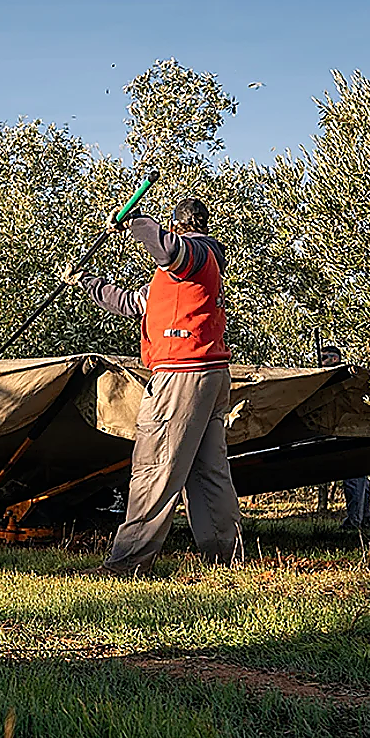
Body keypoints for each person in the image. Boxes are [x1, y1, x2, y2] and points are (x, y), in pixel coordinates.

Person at [62, 197, 242, 575]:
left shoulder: (195, 254)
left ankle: (128, 561)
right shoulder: (183, 277)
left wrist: (134, 220)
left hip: (182, 375)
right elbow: (132, 303)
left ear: (176, 226)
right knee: (208, 471)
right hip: (210, 376)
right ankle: (226, 557)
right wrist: (87, 281)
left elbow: (167, 249)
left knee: (153, 467)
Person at [318, 345, 370, 530]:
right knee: (360, 478)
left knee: (353, 478)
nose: (321, 362)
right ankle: (363, 520)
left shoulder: (341, 378)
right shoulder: (345, 377)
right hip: (356, 431)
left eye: (324, 358)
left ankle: (354, 522)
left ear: (335, 359)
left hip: (350, 432)